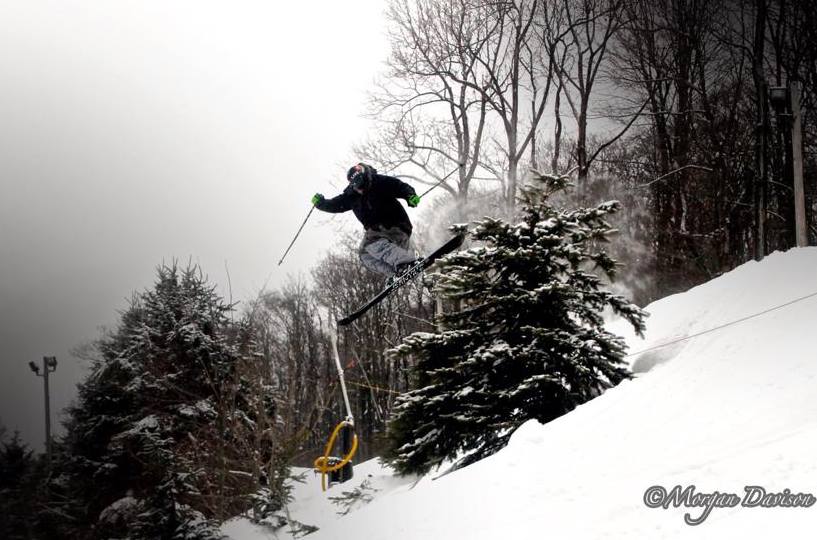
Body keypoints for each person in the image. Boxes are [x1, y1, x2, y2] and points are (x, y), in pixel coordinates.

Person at [312, 163, 421, 278]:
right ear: (352, 185)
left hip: (395, 226)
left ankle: (406, 262)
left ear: (367, 176)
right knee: (365, 254)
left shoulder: (379, 182)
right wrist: (320, 203)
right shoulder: (351, 196)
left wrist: (410, 196)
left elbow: (400, 187)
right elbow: (334, 205)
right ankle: (395, 272)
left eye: (363, 184)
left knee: (373, 244)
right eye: (358, 186)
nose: (361, 189)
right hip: (378, 235)